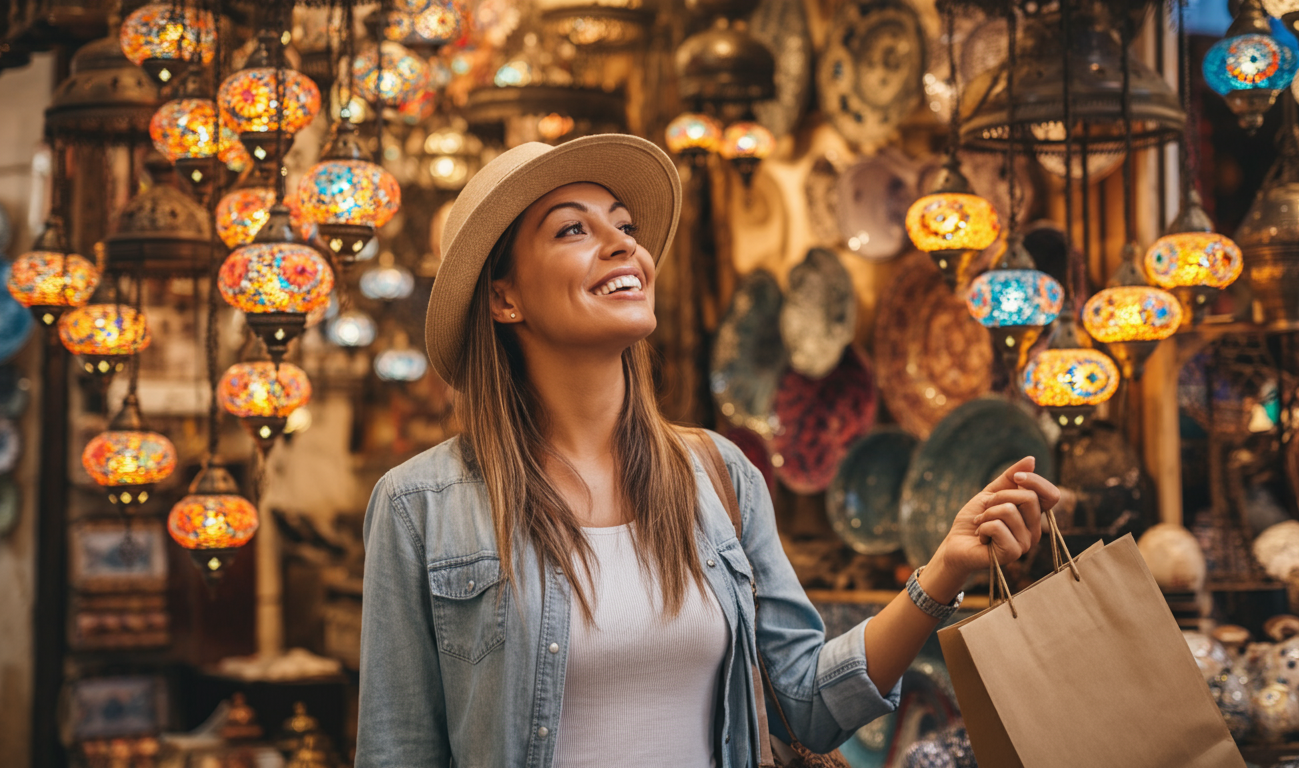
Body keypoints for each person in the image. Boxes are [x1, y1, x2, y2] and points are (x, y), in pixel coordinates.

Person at [355, 134, 1060, 768]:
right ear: (504, 299)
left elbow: (807, 710)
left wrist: (943, 572)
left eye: (624, 226)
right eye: (573, 229)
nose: (622, 244)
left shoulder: (718, 476)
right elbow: (398, 751)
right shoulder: (422, 505)